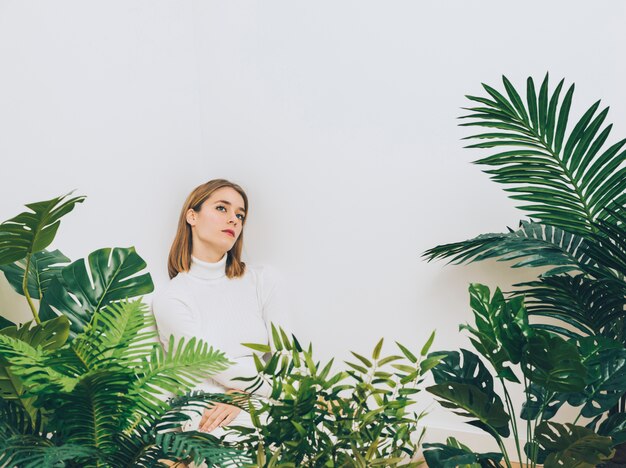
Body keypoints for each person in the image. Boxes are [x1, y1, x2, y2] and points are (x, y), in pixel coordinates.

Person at [151, 178, 292, 445]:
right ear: (192, 216)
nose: (234, 220)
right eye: (221, 209)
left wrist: (247, 395)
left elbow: (287, 356)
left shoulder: (263, 280)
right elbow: (212, 364)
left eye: (240, 215)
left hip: (260, 397)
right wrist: (265, 392)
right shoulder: (172, 298)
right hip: (208, 408)